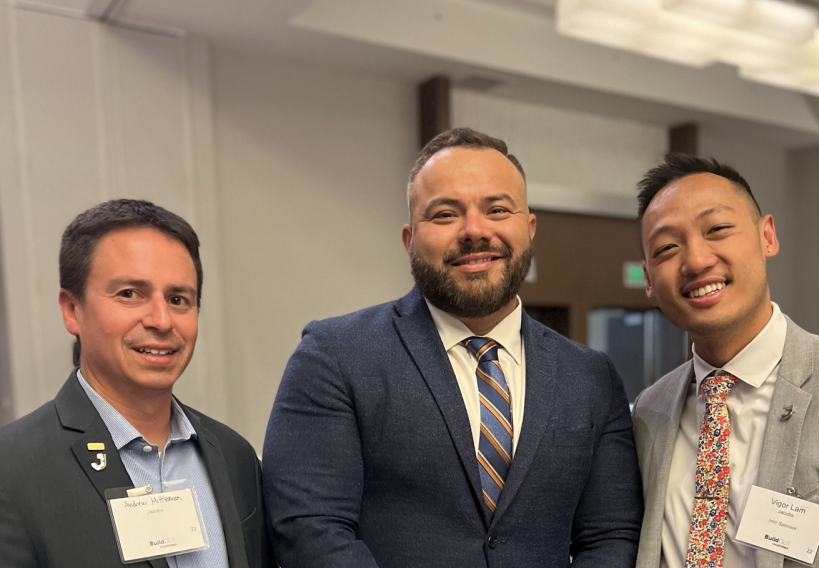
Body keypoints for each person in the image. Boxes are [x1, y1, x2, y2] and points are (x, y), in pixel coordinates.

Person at [263, 128, 643, 568]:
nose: (475, 231)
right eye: (445, 215)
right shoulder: (334, 357)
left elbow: (611, 535)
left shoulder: (591, 376)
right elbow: (311, 530)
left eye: (497, 209)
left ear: (529, 229)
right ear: (410, 241)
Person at [632, 154, 819, 568]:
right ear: (648, 280)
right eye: (667, 248)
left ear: (767, 236)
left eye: (717, 229)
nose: (696, 260)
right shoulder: (650, 410)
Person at [0, 200, 274, 568]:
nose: (162, 320)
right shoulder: (12, 469)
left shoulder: (235, 456)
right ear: (71, 309)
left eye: (178, 299)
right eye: (130, 294)